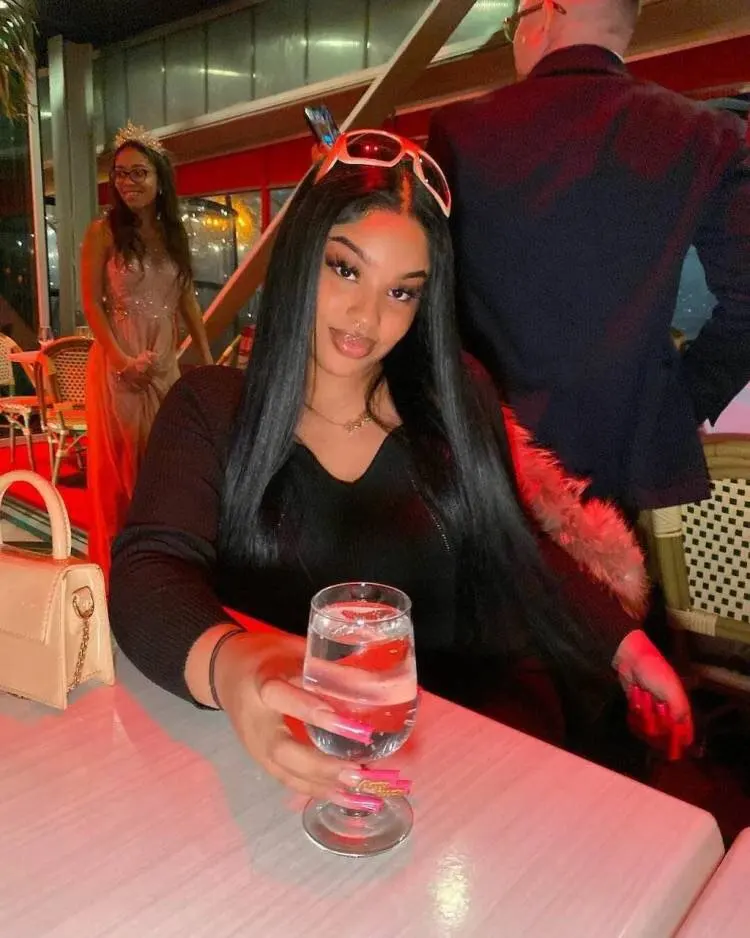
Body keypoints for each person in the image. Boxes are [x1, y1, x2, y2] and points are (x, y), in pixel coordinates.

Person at [109, 131, 691, 811]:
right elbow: (148, 570)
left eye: (402, 292)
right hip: (288, 761)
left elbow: (514, 546)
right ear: (300, 255)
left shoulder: (453, 397)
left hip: (465, 748)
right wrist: (235, 665)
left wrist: (624, 644)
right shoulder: (211, 409)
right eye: (345, 269)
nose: (368, 317)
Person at [427, 0, 750, 516]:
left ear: (548, 13)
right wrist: (674, 405)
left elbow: (428, 297)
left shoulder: (458, 132)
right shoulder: (705, 135)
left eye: (514, 22)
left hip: (487, 452)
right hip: (622, 466)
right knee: (612, 569)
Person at [81, 122, 213, 582]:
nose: (128, 182)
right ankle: (119, 577)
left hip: (164, 365)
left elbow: (187, 300)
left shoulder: (174, 234)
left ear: (159, 179)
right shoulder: (102, 232)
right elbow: (91, 305)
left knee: (167, 469)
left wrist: (207, 360)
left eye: (139, 172)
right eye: (120, 173)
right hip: (118, 366)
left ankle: (159, 569)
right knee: (122, 480)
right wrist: (121, 361)